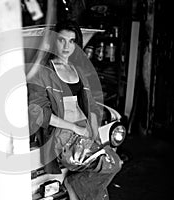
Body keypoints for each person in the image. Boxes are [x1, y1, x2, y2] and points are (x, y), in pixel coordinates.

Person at [27, 20, 122, 200]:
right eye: (62, 40)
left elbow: (91, 105)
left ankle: (75, 188)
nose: (66, 46)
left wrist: (94, 131)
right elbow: (38, 112)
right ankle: (73, 186)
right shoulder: (41, 72)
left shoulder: (76, 70)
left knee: (115, 163)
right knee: (111, 164)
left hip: (83, 134)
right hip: (61, 137)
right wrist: (75, 128)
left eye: (71, 41)